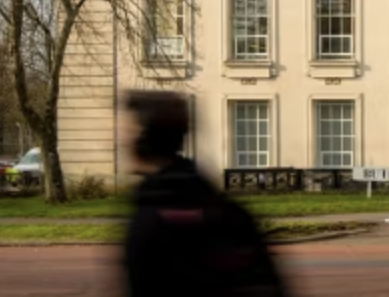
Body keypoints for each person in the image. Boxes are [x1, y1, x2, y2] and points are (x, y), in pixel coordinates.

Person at [121, 90, 287, 296]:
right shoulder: (231, 211)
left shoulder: (150, 221)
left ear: (143, 139)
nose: (120, 141)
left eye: (126, 132)